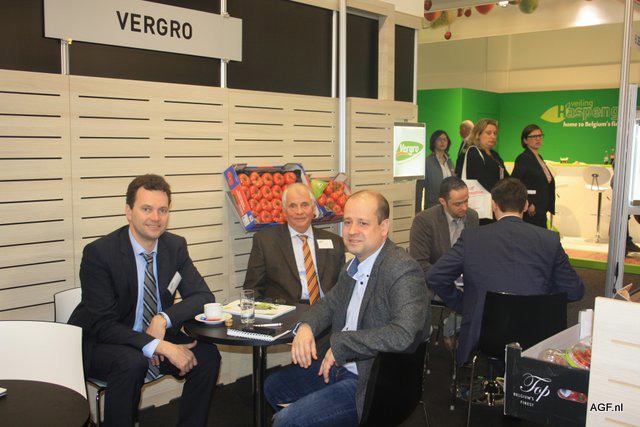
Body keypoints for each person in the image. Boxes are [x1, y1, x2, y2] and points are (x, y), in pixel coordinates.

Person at [264, 190, 430, 426]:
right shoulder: (352, 266)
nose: (352, 231)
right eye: (348, 222)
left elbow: (405, 334)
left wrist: (343, 344)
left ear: (384, 227)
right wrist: (306, 326)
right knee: (274, 387)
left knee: (286, 421)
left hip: (371, 379)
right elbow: (329, 304)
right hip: (340, 366)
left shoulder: (402, 269)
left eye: (363, 223)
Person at [69, 174, 221, 427]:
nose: (156, 218)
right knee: (131, 363)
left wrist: (163, 318)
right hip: (104, 342)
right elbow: (104, 325)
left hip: (154, 334)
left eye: (163, 210)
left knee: (207, 356)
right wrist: (157, 346)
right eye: (146, 209)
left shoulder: (175, 246)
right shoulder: (100, 254)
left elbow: (203, 296)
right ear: (128, 211)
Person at [426, 178, 584, 367]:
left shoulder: (472, 238)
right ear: (525, 205)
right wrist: (541, 296)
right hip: (537, 338)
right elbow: (575, 291)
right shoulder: (549, 240)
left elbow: (435, 276)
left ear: (494, 205)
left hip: (483, 336)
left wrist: (463, 303)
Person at [244, 182, 345, 304]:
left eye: (304, 205)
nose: (299, 211)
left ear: (313, 208)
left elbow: (343, 287)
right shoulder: (265, 241)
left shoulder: (335, 242)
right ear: (284, 210)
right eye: (292, 206)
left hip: (326, 309)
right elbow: (252, 290)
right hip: (286, 311)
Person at [409, 176, 479, 349]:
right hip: (436, 283)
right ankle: (453, 332)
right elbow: (420, 264)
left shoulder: (472, 216)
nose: (464, 207)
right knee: (466, 301)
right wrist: (451, 278)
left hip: (465, 282)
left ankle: (460, 338)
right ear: (443, 202)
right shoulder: (424, 221)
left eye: (466, 201)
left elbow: (475, 256)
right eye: (458, 204)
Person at [458, 118, 508, 225]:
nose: (493, 136)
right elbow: (485, 180)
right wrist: (505, 193)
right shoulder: (473, 152)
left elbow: (506, 176)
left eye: (495, 133)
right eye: (488, 133)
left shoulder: (494, 154)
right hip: (482, 207)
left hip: (495, 204)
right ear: (478, 135)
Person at [511, 124, 555, 228]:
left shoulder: (539, 157)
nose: (538, 139)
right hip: (531, 209)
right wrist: (528, 202)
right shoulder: (523, 158)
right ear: (525, 140)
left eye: (540, 136)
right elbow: (515, 183)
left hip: (541, 207)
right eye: (534, 136)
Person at [416, 130, 455, 211]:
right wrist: (418, 209)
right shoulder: (427, 162)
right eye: (439, 139)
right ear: (434, 142)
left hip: (450, 205)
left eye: (445, 139)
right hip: (433, 205)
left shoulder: (450, 162)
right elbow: (419, 188)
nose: (442, 142)